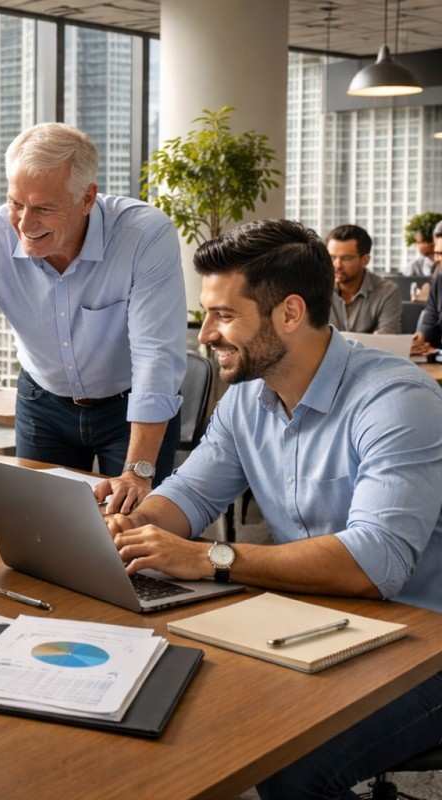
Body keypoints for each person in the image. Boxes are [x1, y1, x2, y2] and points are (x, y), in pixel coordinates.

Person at [105, 219, 442, 799]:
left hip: (424, 643)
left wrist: (208, 558)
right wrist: (132, 527)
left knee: (288, 764)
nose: (206, 335)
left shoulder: (395, 400)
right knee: (166, 703)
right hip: (313, 623)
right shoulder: (245, 400)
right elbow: (189, 495)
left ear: (289, 313)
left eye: (224, 315)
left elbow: (375, 564)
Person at [0, 122, 185, 515]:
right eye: (16, 203)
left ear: (87, 198)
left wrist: (138, 470)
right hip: (43, 404)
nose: (25, 224)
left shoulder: (144, 234)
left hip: (129, 410)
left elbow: (155, 355)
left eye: (44, 208)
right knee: (36, 526)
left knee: (135, 527)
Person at [325, 224, 400, 335]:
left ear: (365, 260)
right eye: (332, 257)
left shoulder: (387, 291)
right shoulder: (318, 287)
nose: (337, 265)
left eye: (346, 258)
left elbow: (386, 338)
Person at [411, 219, 442, 356]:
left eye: (441, 254)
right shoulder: (439, 280)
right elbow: (430, 319)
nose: (437, 259)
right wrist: (419, 341)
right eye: (437, 253)